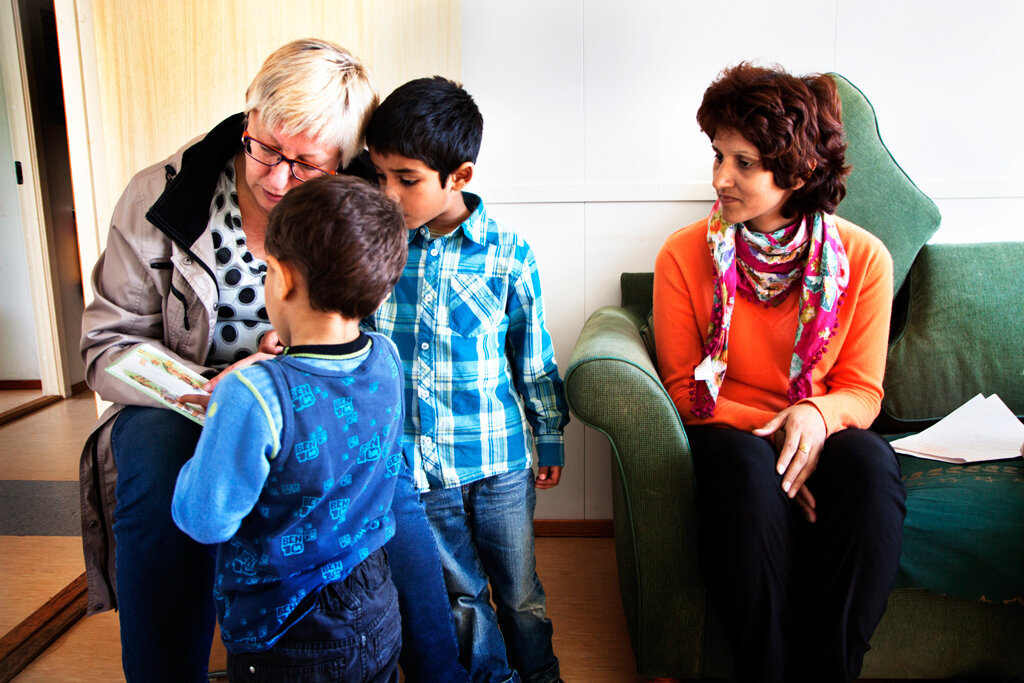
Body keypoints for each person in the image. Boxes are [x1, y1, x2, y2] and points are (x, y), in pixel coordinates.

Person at [79, 39, 467, 682]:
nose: (277, 179)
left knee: (392, 486)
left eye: (307, 165)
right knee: (152, 467)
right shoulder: (158, 197)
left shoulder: (356, 201)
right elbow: (105, 346)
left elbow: (360, 324)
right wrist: (210, 386)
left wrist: (296, 361)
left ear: (344, 161)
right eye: (264, 148)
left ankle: (442, 672)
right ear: (248, 117)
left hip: (309, 396)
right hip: (187, 401)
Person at [652, 63, 907, 683]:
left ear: (798, 170)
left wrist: (814, 419)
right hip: (729, 430)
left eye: (744, 163)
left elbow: (861, 392)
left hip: (823, 427)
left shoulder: (865, 259)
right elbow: (685, 390)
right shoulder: (683, 254)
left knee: (870, 466)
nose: (721, 178)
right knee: (743, 468)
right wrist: (783, 434)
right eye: (719, 156)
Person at [363, 77, 569, 683]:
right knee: (462, 596)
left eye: (406, 179)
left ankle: (540, 674)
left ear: (459, 176)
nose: (389, 194)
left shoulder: (508, 253)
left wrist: (549, 435)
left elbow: (533, 355)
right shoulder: (377, 251)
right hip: (420, 467)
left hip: (499, 460)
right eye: (380, 176)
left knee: (520, 592)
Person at [171, 175, 407, 681]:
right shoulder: (387, 358)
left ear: (280, 277)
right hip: (376, 601)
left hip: (286, 631)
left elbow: (205, 520)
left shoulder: (251, 394)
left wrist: (220, 426)